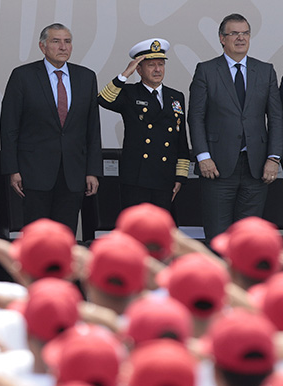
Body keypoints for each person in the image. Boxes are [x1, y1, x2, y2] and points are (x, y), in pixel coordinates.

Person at [188, 13, 283, 242]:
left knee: (249, 239)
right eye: (234, 33)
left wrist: (274, 158)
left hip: (257, 168)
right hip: (217, 168)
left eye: (245, 33)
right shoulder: (206, 70)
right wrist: (203, 157)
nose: (241, 38)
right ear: (222, 38)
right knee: (218, 237)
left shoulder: (265, 71)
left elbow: (277, 118)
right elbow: (195, 117)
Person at [0, 23, 102, 234]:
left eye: (67, 41)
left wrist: (93, 171)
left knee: (65, 237)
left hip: (73, 173)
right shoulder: (23, 76)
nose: (63, 47)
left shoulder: (86, 77)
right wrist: (12, 170)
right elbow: (9, 126)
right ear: (42, 46)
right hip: (34, 172)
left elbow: (92, 129)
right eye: (56, 41)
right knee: (36, 236)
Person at [98, 38, 190, 211]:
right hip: (137, 177)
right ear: (139, 69)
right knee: (136, 229)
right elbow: (103, 99)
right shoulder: (129, 92)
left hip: (165, 177)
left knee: (162, 231)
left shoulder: (175, 96)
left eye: (161, 64)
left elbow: (181, 138)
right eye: (151, 65)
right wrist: (125, 74)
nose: (157, 70)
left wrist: (180, 177)